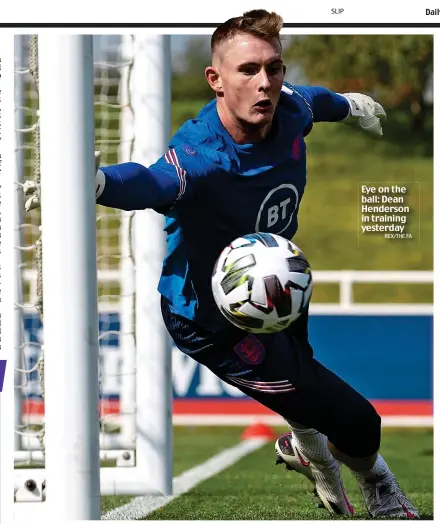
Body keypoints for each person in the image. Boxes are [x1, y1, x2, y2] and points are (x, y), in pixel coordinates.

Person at [24, 10, 418, 519]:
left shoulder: (289, 108)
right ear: (215, 79)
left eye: (274, 68)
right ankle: (379, 483)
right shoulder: (201, 155)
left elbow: (312, 100)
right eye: (247, 70)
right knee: (357, 420)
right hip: (213, 321)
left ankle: (307, 447)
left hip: (276, 284)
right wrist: (95, 183)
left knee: (307, 389)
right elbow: (150, 182)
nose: (265, 84)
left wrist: (350, 105)